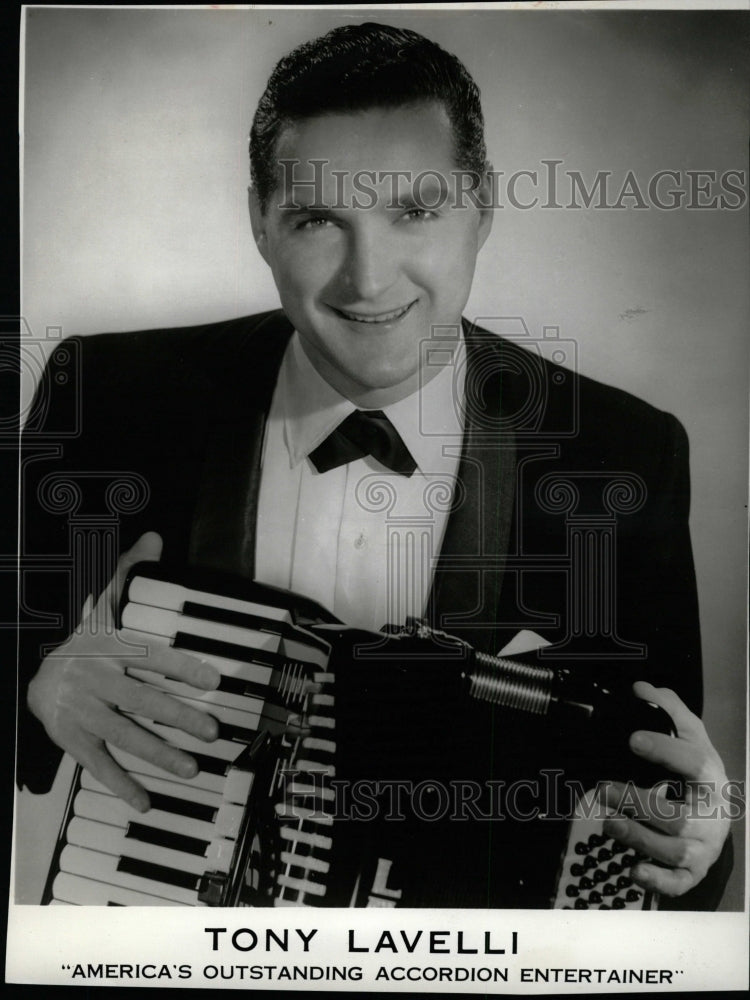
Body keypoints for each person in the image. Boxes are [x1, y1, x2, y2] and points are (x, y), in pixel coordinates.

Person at [18, 22, 733, 908]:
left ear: (483, 208)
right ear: (259, 223)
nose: (367, 280)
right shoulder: (108, 397)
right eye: (319, 219)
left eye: (416, 212)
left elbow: (667, 789)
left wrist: (703, 836)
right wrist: (38, 682)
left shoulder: (624, 455)